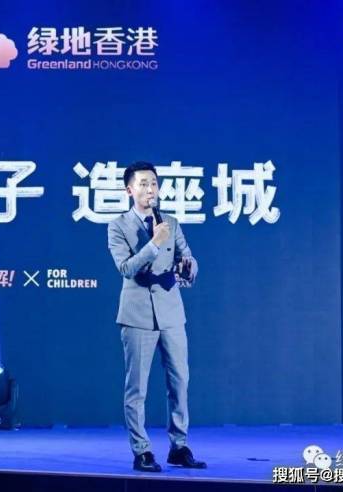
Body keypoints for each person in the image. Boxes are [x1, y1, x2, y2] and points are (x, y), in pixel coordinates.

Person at [107, 161, 206, 472]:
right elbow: (126, 268)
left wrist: (189, 266)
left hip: (171, 312)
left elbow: (186, 255)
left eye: (153, 183)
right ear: (129, 190)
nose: (150, 189)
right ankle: (142, 451)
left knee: (179, 381)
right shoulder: (118, 226)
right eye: (143, 184)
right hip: (137, 315)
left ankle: (179, 446)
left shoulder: (170, 222)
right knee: (137, 387)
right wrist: (154, 243)